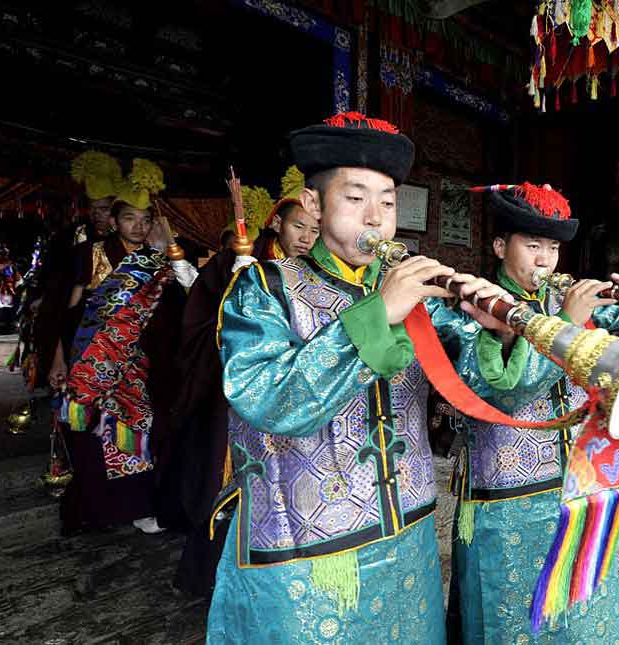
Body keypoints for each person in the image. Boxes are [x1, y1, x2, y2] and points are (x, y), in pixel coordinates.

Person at [206, 112, 564, 644]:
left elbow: (491, 394)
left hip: (408, 538)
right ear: (312, 203)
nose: (375, 218)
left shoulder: (422, 300)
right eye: (355, 199)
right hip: (304, 550)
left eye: (389, 202)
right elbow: (268, 401)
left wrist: (497, 332)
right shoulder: (265, 287)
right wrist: (381, 312)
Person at [445, 182, 619, 644]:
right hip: (506, 500)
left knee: (582, 613)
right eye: (532, 245)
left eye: (552, 247)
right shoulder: (469, 305)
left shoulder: (570, 305)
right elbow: (497, 394)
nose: (545, 260)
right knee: (513, 619)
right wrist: (569, 320)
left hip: (581, 487)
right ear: (499, 246)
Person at [171, 171, 318, 598]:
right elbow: (199, 325)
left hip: (291, 401)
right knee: (229, 484)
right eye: (297, 227)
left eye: (314, 230)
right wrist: (236, 302)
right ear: (275, 224)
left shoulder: (311, 273)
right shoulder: (236, 262)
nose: (306, 238)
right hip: (233, 400)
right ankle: (211, 579)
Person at [51, 158, 187, 535]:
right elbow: (67, 316)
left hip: (143, 365)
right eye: (130, 219)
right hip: (94, 364)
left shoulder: (158, 263)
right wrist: (58, 358)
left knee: (142, 433)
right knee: (97, 438)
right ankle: (100, 509)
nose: (139, 227)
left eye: (145, 220)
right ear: (114, 221)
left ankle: (141, 505)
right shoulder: (90, 256)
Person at [33, 151, 122, 389]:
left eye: (103, 208)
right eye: (93, 208)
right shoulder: (73, 237)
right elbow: (57, 284)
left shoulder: (130, 240)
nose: (97, 215)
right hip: (79, 318)